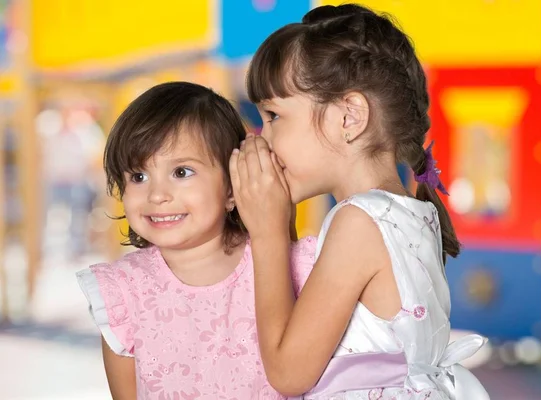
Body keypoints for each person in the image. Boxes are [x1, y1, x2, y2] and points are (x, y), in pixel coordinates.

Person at [230, 4, 490, 399]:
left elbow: (287, 372)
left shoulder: (359, 222)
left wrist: (267, 232)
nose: (261, 138)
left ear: (349, 117)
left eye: (273, 116)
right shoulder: (411, 213)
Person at [76, 82, 315, 400]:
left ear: (232, 187)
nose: (157, 195)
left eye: (182, 172)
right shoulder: (122, 293)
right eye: (138, 176)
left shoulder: (287, 264)